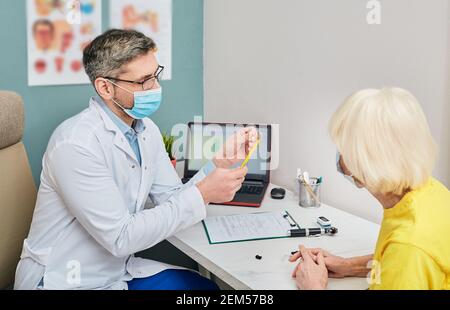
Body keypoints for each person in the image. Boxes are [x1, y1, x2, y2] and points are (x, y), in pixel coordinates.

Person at [15, 29, 258, 290]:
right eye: (144, 81)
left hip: (114, 271)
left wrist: (217, 165)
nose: (155, 87)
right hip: (65, 279)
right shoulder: (75, 145)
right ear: (105, 87)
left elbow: (171, 198)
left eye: (156, 75)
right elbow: (120, 237)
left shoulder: (145, 129)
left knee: (205, 289)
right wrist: (202, 194)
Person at [290, 88, 450, 290]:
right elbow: (395, 263)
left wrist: (314, 287)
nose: (339, 156)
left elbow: (406, 258)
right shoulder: (433, 192)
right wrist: (349, 266)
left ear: (365, 163)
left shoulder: (409, 247)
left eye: (343, 148)